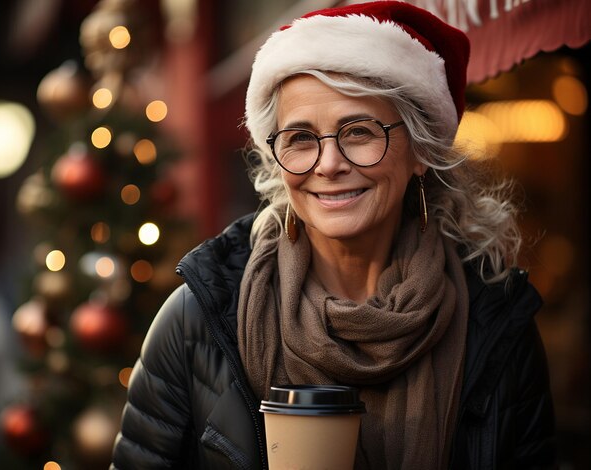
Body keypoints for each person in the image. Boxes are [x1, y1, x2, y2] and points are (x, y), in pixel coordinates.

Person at [110, 1, 557, 468]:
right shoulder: (195, 321)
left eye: (359, 131)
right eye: (300, 139)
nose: (328, 164)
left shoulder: (496, 324)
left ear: (421, 149)